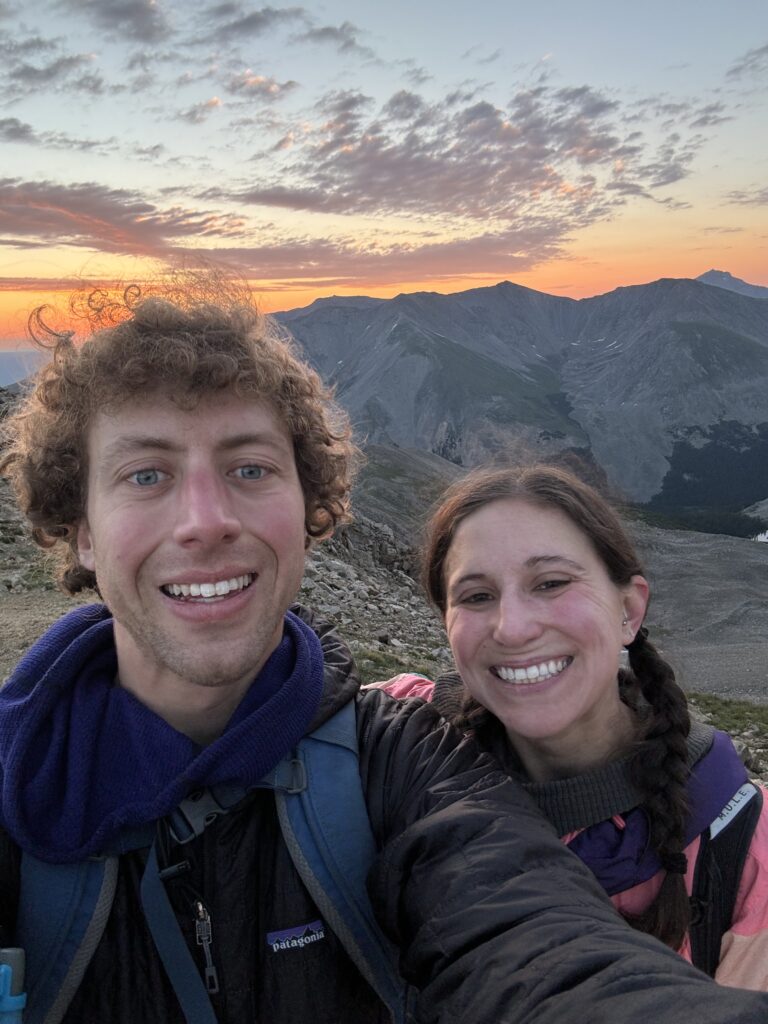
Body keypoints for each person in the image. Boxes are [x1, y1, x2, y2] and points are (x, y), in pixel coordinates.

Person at [1, 286, 768, 1024]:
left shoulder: (400, 762)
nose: (204, 520)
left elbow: (531, 940)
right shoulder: (12, 785)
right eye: (146, 474)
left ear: (310, 512)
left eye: (249, 469)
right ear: (83, 533)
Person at [378, 464, 768, 991]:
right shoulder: (396, 737)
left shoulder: (749, 850)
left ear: (628, 610)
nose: (513, 628)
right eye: (475, 596)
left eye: (552, 583)